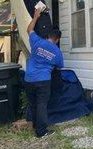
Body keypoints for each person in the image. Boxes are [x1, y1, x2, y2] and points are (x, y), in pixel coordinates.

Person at [24, 8, 64, 138]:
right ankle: (41, 132)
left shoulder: (37, 42)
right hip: (43, 80)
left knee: (33, 104)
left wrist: (35, 16)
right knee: (42, 104)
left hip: (29, 79)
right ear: (57, 40)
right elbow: (59, 67)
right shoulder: (57, 52)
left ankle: (36, 126)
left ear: (47, 36)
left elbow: (29, 30)